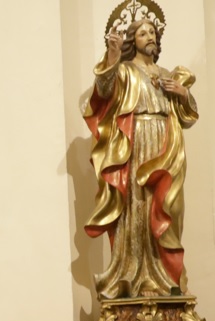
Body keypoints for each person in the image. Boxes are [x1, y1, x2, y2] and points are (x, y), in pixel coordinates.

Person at [84, 5, 198, 299]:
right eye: (143, 33)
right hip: (136, 146)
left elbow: (187, 116)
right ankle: (133, 278)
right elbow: (104, 91)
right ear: (132, 40)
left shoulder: (166, 74)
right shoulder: (125, 70)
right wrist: (111, 56)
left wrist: (183, 94)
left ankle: (163, 278)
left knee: (165, 208)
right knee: (138, 208)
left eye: (152, 33)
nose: (150, 37)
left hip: (165, 145)